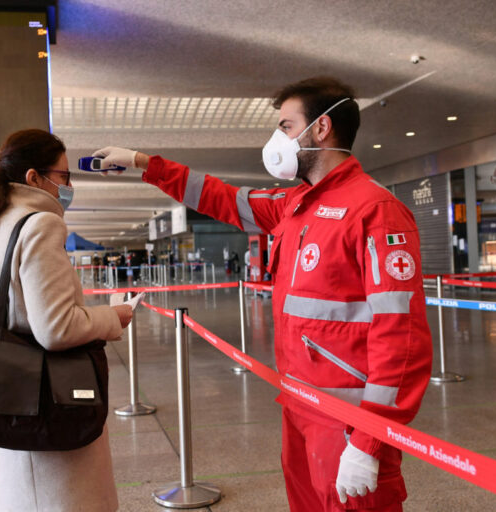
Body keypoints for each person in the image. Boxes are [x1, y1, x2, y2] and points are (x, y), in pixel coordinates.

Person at [92, 76, 432, 512]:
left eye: (286, 126)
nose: (279, 138)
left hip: (347, 420)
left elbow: (401, 339)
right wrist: (144, 163)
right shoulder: (295, 204)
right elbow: (221, 197)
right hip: (300, 405)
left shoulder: (375, 210)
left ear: (322, 129)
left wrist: (369, 440)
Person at [0, 129, 132, 512]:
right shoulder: (39, 224)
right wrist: (113, 317)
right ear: (34, 178)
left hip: (4, 401)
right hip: (43, 417)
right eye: (64, 175)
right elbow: (56, 329)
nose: (68, 185)